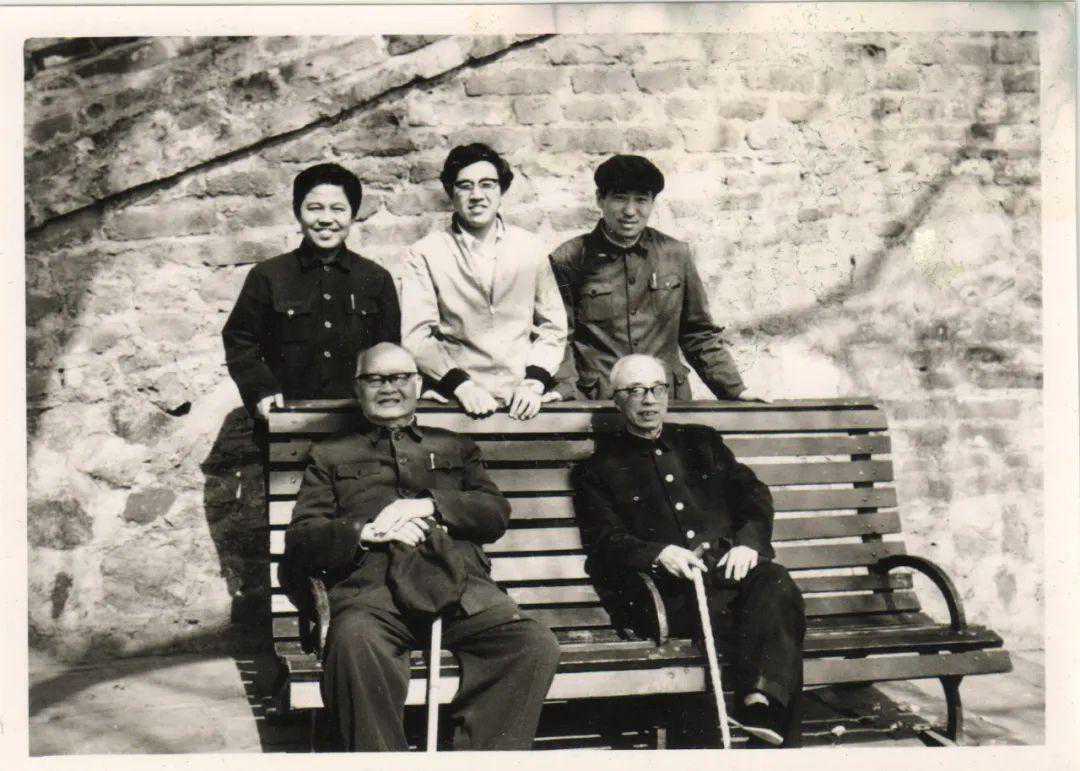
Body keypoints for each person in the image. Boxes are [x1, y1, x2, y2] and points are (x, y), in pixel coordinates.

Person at [282, 343, 560, 751]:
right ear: (357, 388)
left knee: (531, 645)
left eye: (399, 378)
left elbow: (494, 513)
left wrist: (431, 504)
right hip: (373, 598)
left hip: (462, 593)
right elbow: (302, 538)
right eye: (375, 379)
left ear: (418, 384)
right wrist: (366, 532)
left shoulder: (455, 447)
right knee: (354, 647)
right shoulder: (330, 455)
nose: (388, 388)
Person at [571, 354, 805, 747]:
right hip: (667, 592)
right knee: (771, 619)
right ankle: (760, 723)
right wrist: (657, 553)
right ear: (617, 400)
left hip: (727, 576)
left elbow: (753, 495)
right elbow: (604, 542)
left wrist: (748, 544)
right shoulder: (596, 470)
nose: (648, 400)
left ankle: (759, 706)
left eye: (656, 389)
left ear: (668, 393)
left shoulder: (702, 442)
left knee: (775, 580)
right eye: (635, 391)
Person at [549, 154, 765, 402]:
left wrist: (735, 390)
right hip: (599, 399)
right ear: (600, 199)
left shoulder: (675, 255)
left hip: (665, 398)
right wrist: (563, 390)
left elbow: (697, 333)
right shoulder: (569, 259)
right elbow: (558, 335)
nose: (630, 211)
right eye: (620, 198)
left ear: (653, 203)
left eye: (641, 200)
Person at [400, 143, 567, 420]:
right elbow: (417, 336)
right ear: (451, 192)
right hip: (455, 402)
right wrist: (460, 385)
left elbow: (553, 328)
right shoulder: (424, 253)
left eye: (487, 184)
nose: (477, 195)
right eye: (465, 186)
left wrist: (534, 382)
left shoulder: (530, 247)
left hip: (524, 400)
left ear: (502, 190)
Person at [222, 162, 400, 420]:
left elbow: (390, 350)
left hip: (359, 422)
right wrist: (260, 390)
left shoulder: (376, 278)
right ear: (298, 213)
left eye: (338, 209)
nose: (326, 219)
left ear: (352, 215)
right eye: (314, 208)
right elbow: (240, 340)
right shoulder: (268, 275)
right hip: (285, 418)